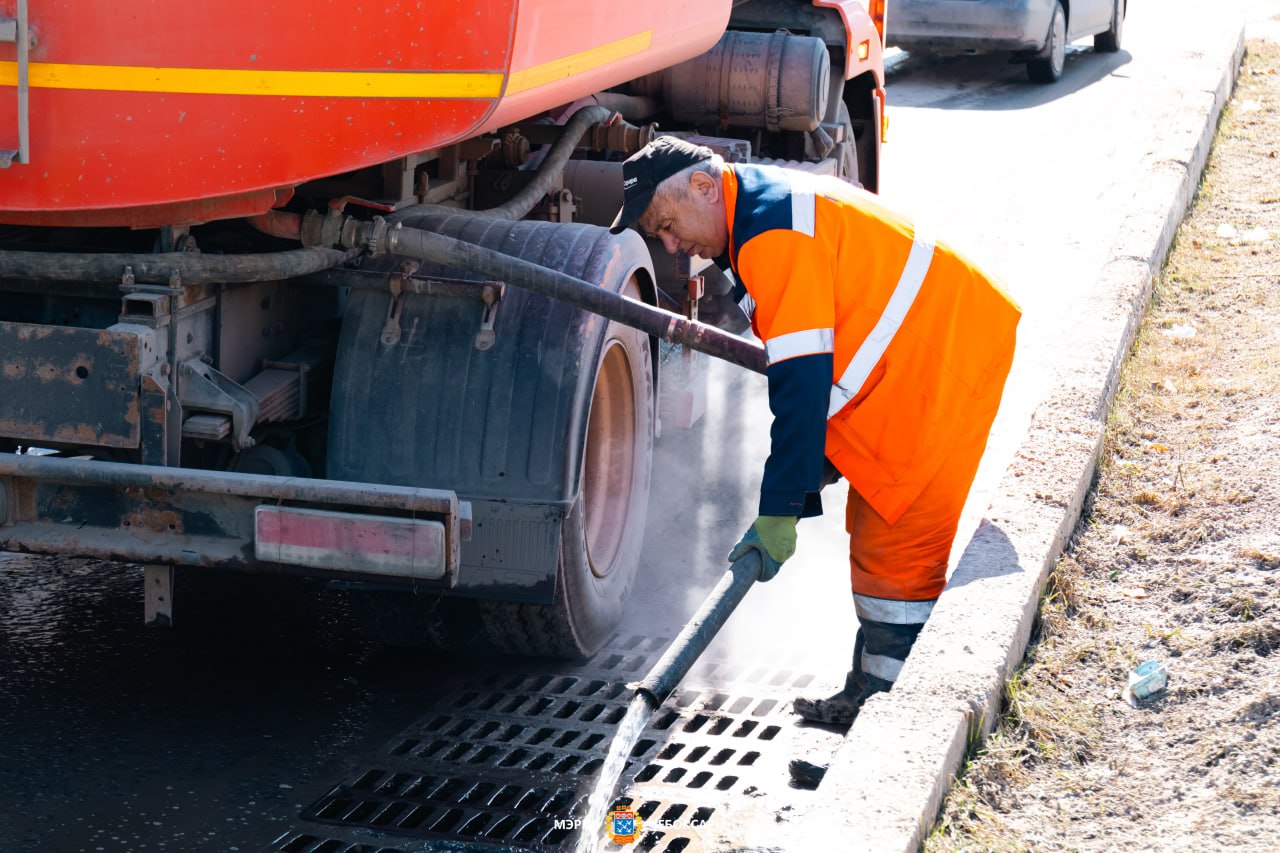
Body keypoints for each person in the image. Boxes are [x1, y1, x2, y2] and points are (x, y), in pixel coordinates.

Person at [610, 136, 1021, 785]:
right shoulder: (759, 217)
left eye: (666, 224)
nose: (669, 244)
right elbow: (823, 354)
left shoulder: (771, 233)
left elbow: (799, 389)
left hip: (940, 363)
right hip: (924, 355)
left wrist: (779, 511)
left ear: (702, 187)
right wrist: (809, 476)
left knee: (898, 558)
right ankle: (868, 695)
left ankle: (883, 761)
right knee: (872, 536)